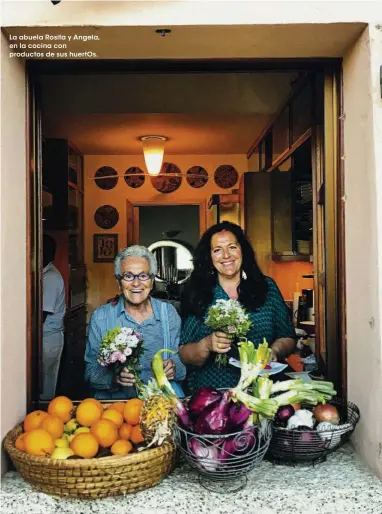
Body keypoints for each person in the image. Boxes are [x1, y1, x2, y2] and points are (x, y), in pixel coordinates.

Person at [179, 221, 296, 394]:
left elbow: (288, 337)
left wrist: (274, 351)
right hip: (212, 394)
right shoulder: (197, 293)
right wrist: (207, 344)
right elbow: (183, 353)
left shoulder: (266, 288)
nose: (226, 255)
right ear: (209, 257)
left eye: (232, 247)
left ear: (243, 251)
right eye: (217, 250)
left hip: (263, 391)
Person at [84, 245, 186, 399]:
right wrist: (114, 378)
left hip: (161, 403)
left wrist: (174, 367)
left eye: (143, 275)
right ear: (119, 281)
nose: (136, 283)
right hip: (117, 407)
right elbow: (90, 373)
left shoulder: (168, 314)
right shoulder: (101, 317)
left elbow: (181, 367)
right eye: (128, 276)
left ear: (152, 280)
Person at [41, 234, 66, 400]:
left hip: (47, 339)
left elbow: (41, 315)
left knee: (44, 387)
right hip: (46, 338)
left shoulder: (50, 278)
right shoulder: (45, 274)